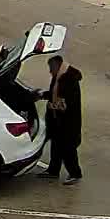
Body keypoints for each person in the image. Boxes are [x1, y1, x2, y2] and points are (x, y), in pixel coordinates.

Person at [41, 54, 83, 184]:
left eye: (51, 67)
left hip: (67, 122)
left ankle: (75, 173)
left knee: (67, 148)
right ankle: (53, 170)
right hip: (57, 120)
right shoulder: (59, 77)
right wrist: (43, 95)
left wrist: (50, 103)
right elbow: (54, 94)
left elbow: (64, 102)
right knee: (56, 146)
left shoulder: (68, 80)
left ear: (57, 65)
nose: (50, 71)